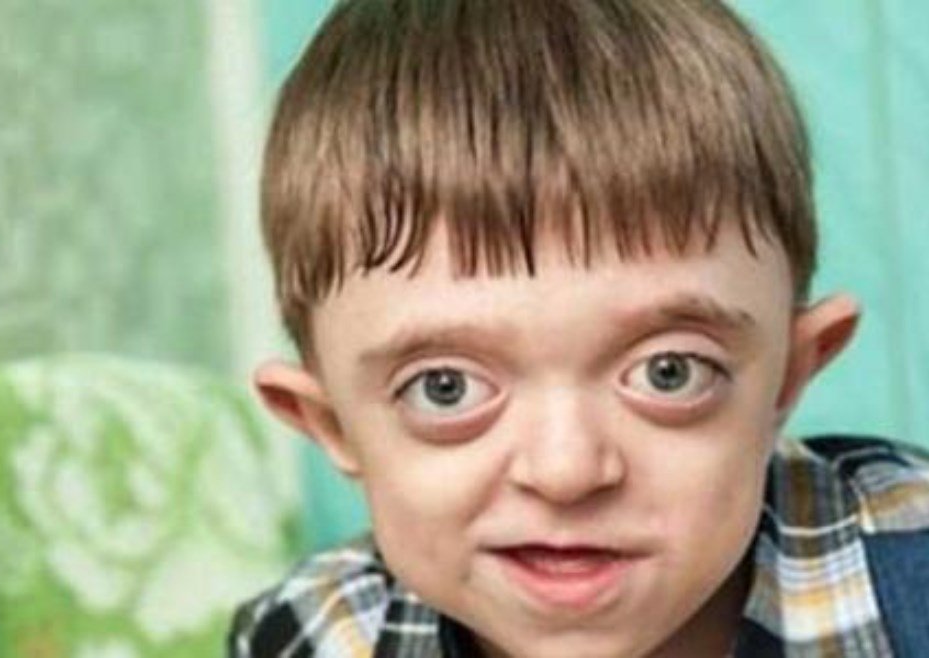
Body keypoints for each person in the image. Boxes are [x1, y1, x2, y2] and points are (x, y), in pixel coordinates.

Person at [229, 0, 929, 656]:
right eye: (444, 387)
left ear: (789, 375)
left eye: (669, 372)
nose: (565, 472)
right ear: (332, 425)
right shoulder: (316, 636)